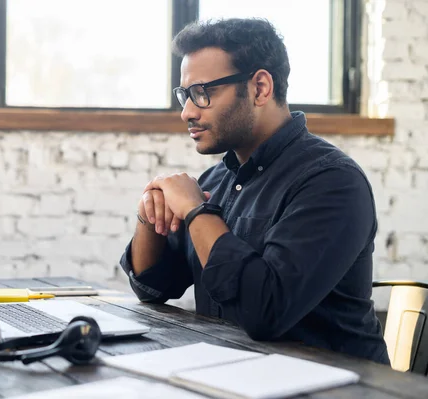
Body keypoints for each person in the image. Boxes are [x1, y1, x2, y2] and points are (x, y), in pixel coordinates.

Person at [119, 18, 390, 365]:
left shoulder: (332, 182)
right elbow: (152, 286)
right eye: (185, 95)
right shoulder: (214, 180)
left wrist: (195, 212)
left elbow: (265, 310)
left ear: (260, 87)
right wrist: (148, 212)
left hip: (342, 385)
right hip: (238, 373)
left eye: (203, 93)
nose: (187, 111)